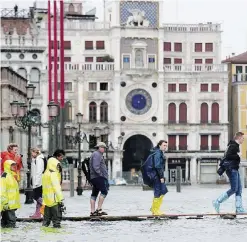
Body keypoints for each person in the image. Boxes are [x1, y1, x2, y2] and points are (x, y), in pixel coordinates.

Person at [213, 132, 245, 214]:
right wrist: (238, 156)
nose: (243, 140)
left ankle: (239, 208)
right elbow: (228, 156)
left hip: (234, 169)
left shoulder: (235, 145)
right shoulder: (233, 145)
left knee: (239, 189)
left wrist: (237, 158)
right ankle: (217, 201)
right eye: (242, 138)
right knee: (234, 189)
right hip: (231, 169)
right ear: (239, 138)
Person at [42, 149, 65, 228]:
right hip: (55, 200)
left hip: (47, 200)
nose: (62, 159)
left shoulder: (46, 173)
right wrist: (61, 199)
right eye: (61, 157)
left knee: (46, 221)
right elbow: (56, 187)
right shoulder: (53, 173)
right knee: (56, 221)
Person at [89, 142, 109, 217]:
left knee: (94, 193)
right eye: (103, 148)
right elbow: (95, 166)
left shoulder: (96, 154)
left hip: (94, 177)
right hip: (98, 177)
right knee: (104, 191)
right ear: (99, 147)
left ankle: (92, 212)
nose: (104, 149)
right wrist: (100, 174)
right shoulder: (97, 154)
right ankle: (99, 209)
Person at [150, 140, 168, 216]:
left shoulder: (159, 152)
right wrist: (161, 177)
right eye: (164, 145)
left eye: (166, 146)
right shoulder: (157, 153)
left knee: (163, 191)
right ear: (159, 145)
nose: (165, 147)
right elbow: (157, 166)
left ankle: (155, 209)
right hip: (156, 175)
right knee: (158, 192)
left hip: (157, 175)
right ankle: (155, 210)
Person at [0, 160, 21, 228]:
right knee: (11, 221)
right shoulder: (5, 176)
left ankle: (7, 234)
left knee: (6, 221)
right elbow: (2, 190)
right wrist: (4, 202)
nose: (14, 166)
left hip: (10, 204)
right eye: (12, 165)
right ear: (8, 166)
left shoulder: (11, 175)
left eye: (14, 165)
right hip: (8, 203)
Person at [29, 148, 45, 218]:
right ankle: (37, 213)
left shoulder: (39, 159)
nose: (31, 154)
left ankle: (46, 207)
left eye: (32, 153)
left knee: (36, 196)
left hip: (38, 182)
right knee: (38, 197)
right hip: (36, 181)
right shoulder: (36, 159)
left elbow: (39, 171)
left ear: (35, 153)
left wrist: (36, 182)